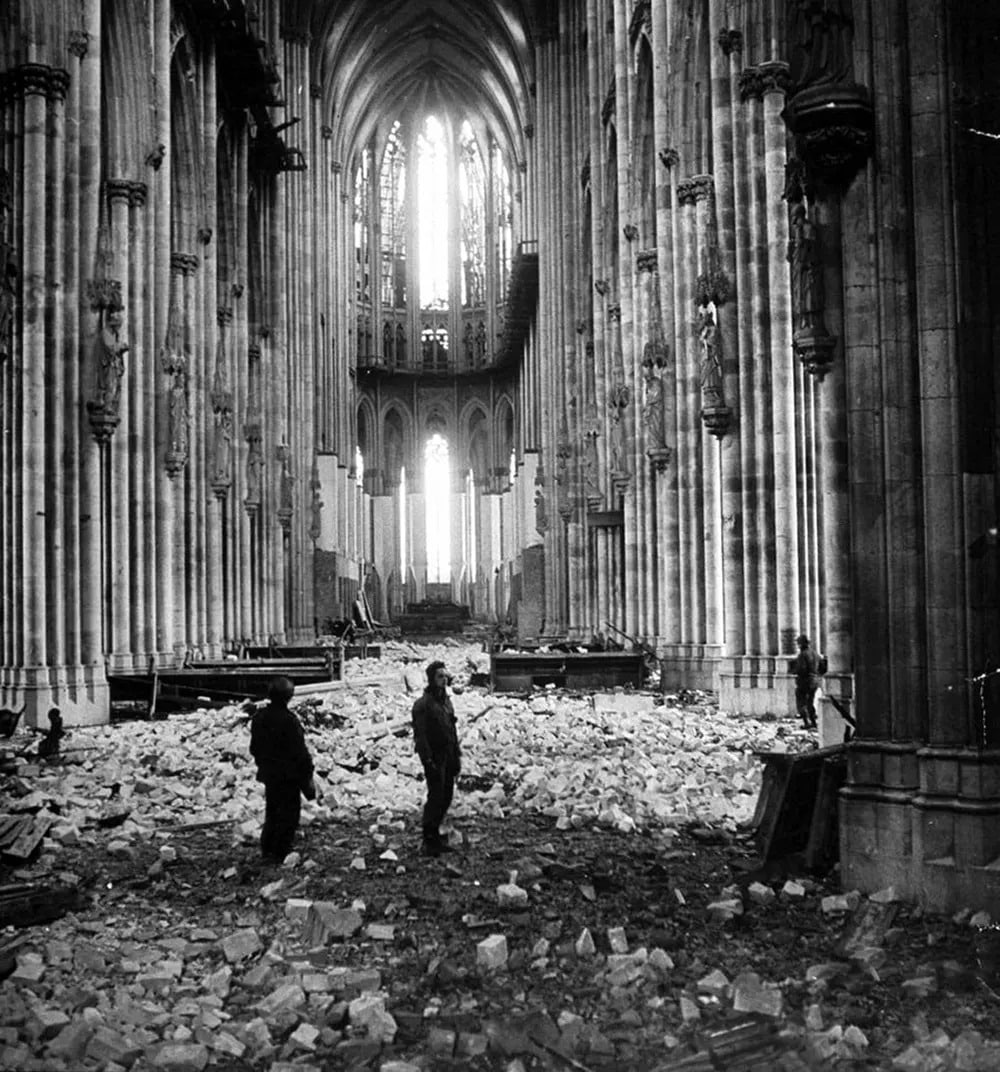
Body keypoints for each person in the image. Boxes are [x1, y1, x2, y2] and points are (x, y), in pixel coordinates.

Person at [249, 676, 315, 864]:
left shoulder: (259, 718)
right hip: (288, 776)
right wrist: (307, 776)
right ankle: (280, 851)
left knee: (272, 811)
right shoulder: (289, 721)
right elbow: (300, 752)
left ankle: (268, 848)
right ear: (289, 697)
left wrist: (263, 764)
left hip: (270, 774)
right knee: (289, 814)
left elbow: (254, 748)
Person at [411, 660, 461, 856]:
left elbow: (452, 728)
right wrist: (427, 760)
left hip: (449, 754)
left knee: (447, 795)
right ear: (431, 679)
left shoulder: (446, 701)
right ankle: (429, 838)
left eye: (445, 676)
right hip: (435, 756)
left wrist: (457, 756)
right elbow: (421, 736)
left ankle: (436, 832)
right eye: (440, 676)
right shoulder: (423, 705)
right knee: (436, 796)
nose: (444, 679)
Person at [791, 634, 824, 729]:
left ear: (801, 644)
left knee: (801, 702)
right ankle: (813, 722)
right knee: (810, 702)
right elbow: (822, 668)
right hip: (815, 680)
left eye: (799, 644)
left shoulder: (802, 655)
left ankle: (806, 722)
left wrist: (795, 671)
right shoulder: (816, 654)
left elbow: (802, 669)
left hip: (805, 681)